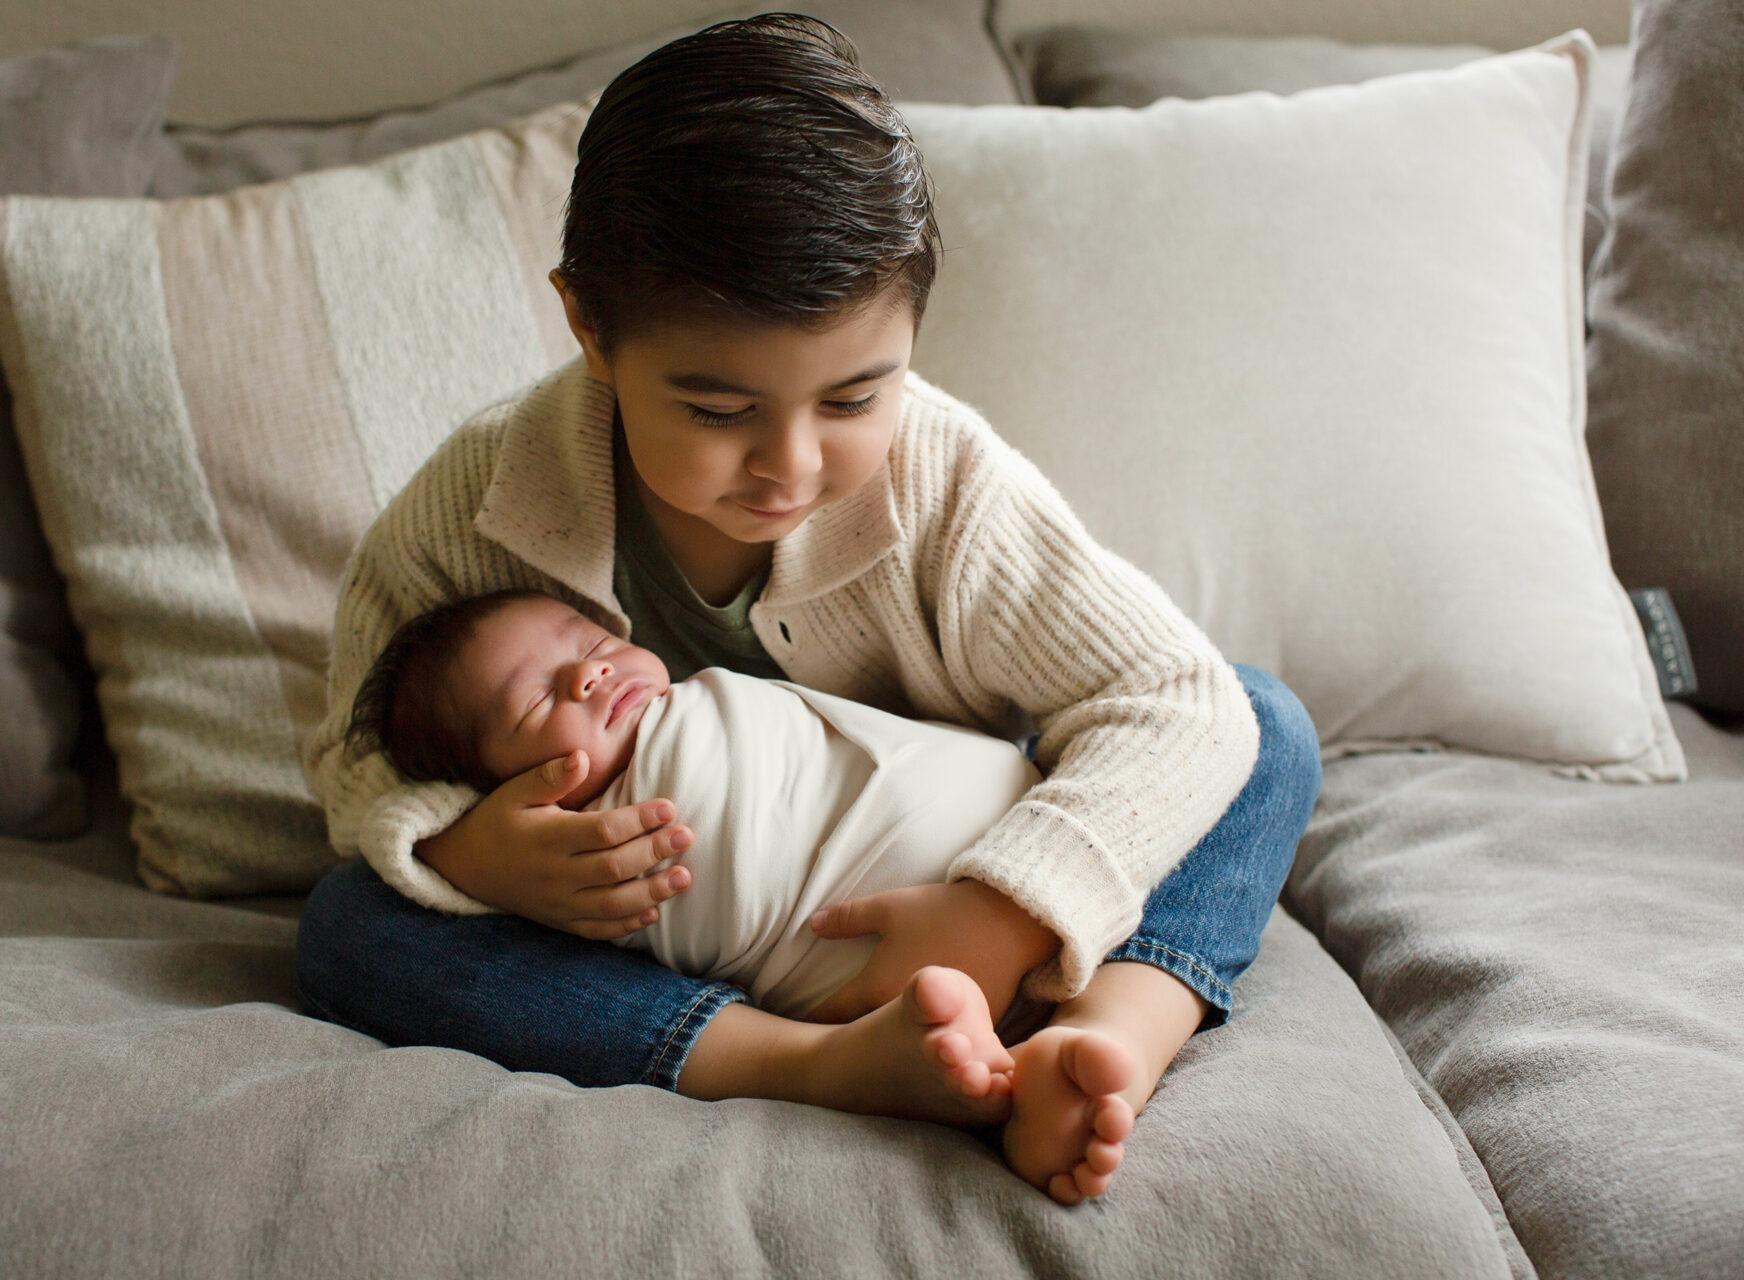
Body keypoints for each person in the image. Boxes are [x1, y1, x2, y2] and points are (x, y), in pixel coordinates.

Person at [296, 13, 1322, 1206]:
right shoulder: (482, 498)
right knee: (351, 923)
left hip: (944, 863)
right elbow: (355, 756)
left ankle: (1102, 1043)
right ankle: (815, 1062)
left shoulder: (945, 485)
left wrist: (998, 913)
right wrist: (471, 851)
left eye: (852, 399)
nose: (789, 464)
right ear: (591, 328)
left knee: (1260, 721)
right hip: (689, 944)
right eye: (717, 410)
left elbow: (1173, 698)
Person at [345, 588, 1047, 1030]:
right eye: (535, 701)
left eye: (593, 642)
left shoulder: (695, 703)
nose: (589, 672)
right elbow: (363, 809)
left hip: (1018, 832)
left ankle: (1091, 1024)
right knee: (347, 915)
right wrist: (467, 853)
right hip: (885, 978)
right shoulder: (569, 866)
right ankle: (1050, 1062)